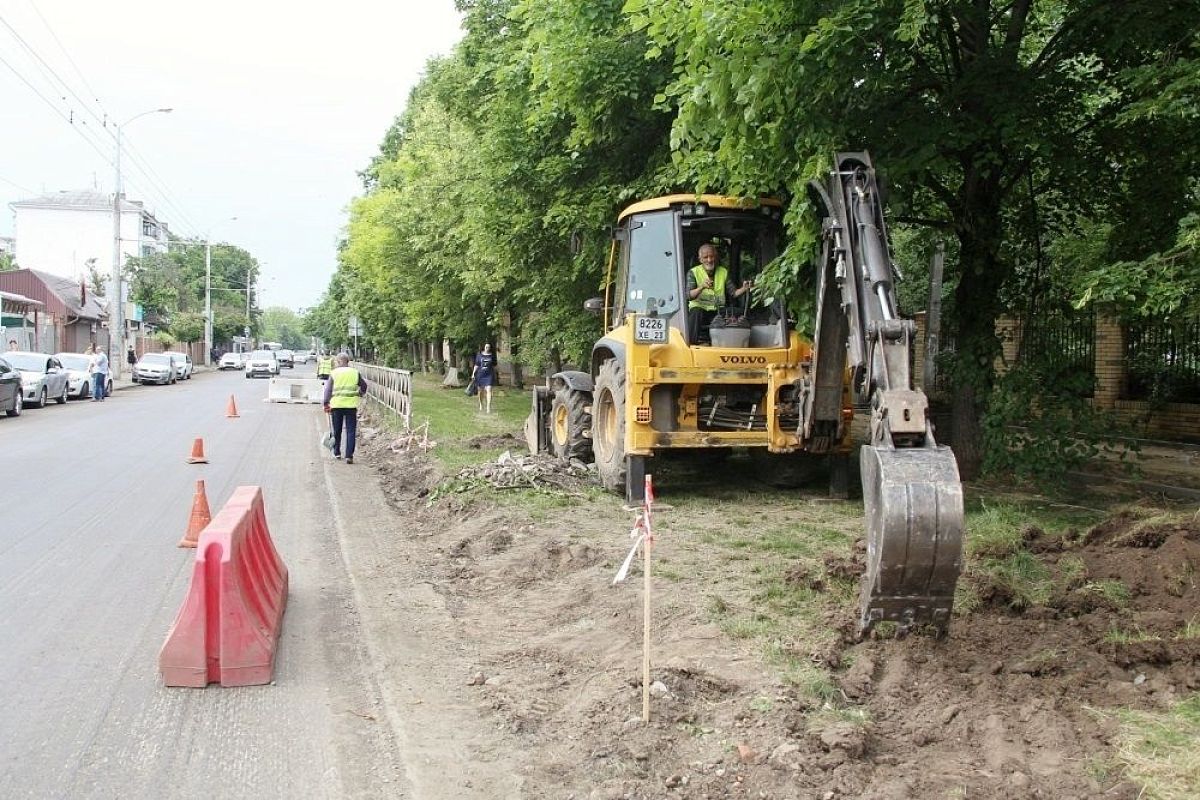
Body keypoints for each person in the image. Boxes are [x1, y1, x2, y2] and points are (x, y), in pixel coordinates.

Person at [686, 243, 751, 344]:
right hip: (700, 310)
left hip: (718, 311)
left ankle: (732, 342)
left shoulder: (723, 271)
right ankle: (690, 344)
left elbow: (733, 293)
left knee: (739, 313)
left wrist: (744, 288)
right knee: (696, 312)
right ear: (700, 259)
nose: (709, 260)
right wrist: (702, 287)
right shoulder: (693, 272)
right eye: (705, 257)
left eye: (711, 256)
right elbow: (689, 295)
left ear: (715, 257)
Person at [322, 353, 367, 464]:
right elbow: (364, 386)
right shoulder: (355, 372)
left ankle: (337, 453)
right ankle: (349, 456)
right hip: (351, 406)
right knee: (351, 431)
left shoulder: (334, 373)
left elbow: (328, 390)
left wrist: (325, 403)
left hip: (336, 406)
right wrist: (360, 393)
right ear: (348, 361)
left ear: (338, 361)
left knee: (337, 430)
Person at [471, 343, 497, 413]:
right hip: (480, 375)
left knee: (489, 390)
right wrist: (473, 374)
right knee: (480, 391)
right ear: (484, 347)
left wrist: (496, 374)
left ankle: (488, 407)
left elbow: (494, 366)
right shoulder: (479, 355)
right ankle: (481, 404)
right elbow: (476, 365)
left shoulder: (492, 356)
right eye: (486, 347)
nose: (487, 348)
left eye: (488, 347)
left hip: (489, 375)